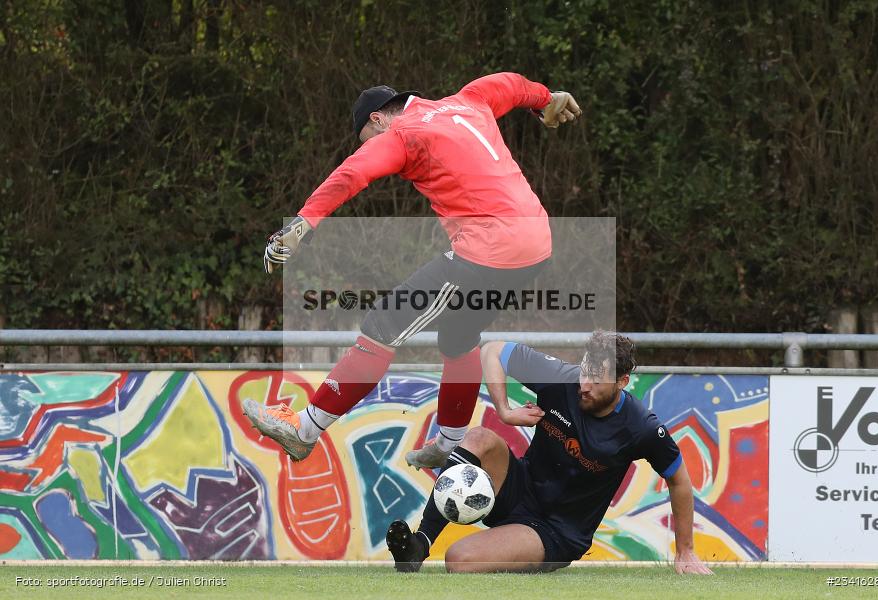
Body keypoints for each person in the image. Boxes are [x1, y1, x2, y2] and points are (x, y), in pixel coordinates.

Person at [243, 73, 582, 469]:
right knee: (459, 337)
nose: (373, 146)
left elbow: (354, 173)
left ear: (377, 120)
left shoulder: (403, 134)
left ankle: (305, 429)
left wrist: (302, 223)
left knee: (384, 324)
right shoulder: (469, 100)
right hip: (537, 243)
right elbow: (508, 84)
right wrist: (545, 99)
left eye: (368, 139)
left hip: (489, 250)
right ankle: (451, 442)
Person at [385, 330, 714, 574]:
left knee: (458, 561)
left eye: (597, 379)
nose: (585, 384)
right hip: (520, 489)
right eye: (585, 371)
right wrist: (504, 410)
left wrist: (685, 551)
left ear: (622, 381)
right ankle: (419, 545)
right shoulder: (562, 380)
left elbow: (679, 480)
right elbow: (493, 351)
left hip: (557, 532)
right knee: (480, 437)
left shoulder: (641, 427)